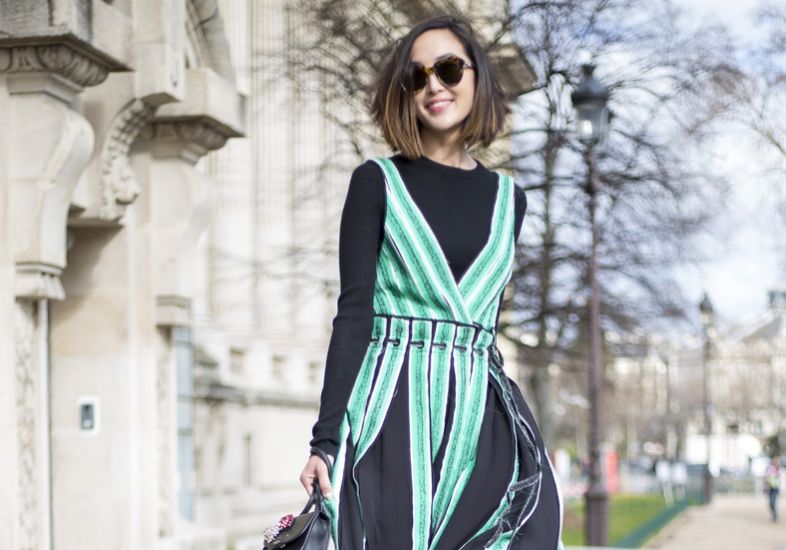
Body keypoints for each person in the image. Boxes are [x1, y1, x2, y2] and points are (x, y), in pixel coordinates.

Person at [299, 14, 564, 549]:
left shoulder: (509, 201)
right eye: (416, 76)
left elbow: (487, 322)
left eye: (448, 69)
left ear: (477, 77)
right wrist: (324, 441)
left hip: (480, 418)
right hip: (393, 412)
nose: (434, 86)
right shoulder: (376, 183)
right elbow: (354, 315)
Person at [764, 456, 781, 522]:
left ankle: (775, 516)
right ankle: (774, 515)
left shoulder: (779, 470)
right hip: (770, 488)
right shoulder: (770, 469)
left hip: (776, 488)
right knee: (770, 503)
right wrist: (766, 487)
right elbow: (767, 478)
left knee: (773, 502)